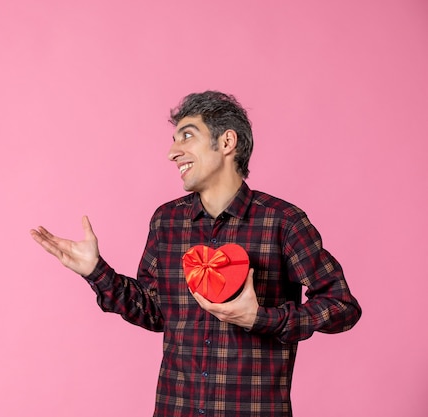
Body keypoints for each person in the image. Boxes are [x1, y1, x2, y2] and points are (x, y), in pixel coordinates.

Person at [30, 91, 361, 417]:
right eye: (174, 140)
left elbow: (342, 306)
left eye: (187, 136)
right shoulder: (167, 221)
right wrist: (96, 272)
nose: (173, 152)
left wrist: (259, 318)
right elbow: (156, 311)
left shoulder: (282, 222)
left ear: (227, 142)